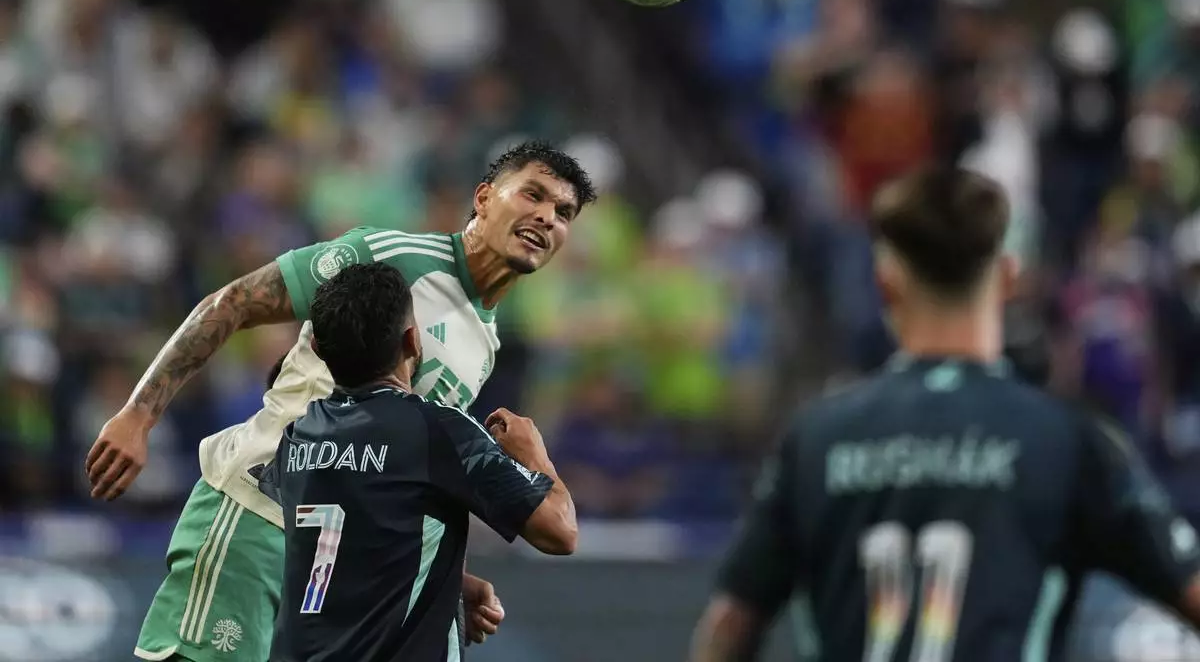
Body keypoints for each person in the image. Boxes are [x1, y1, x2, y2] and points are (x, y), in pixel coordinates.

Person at [83, 139, 595, 661]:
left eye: (563, 212)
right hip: (257, 514)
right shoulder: (391, 257)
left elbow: (403, 465)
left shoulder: (484, 341)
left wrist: (451, 575)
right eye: (532, 194)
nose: (546, 217)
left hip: (333, 562)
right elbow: (235, 301)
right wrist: (138, 414)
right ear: (484, 198)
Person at [691, 167, 1200, 662]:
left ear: (886, 284)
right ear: (1007, 279)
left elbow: (729, 625)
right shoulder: (1064, 439)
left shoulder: (816, 438)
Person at [259, 262, 576, 661]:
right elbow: (559, 531)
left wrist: (450, 582)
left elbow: (338, 547)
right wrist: (535, 455)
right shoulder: (436, 430)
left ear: (318, 351)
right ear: (412, 341)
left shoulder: (298, 435)